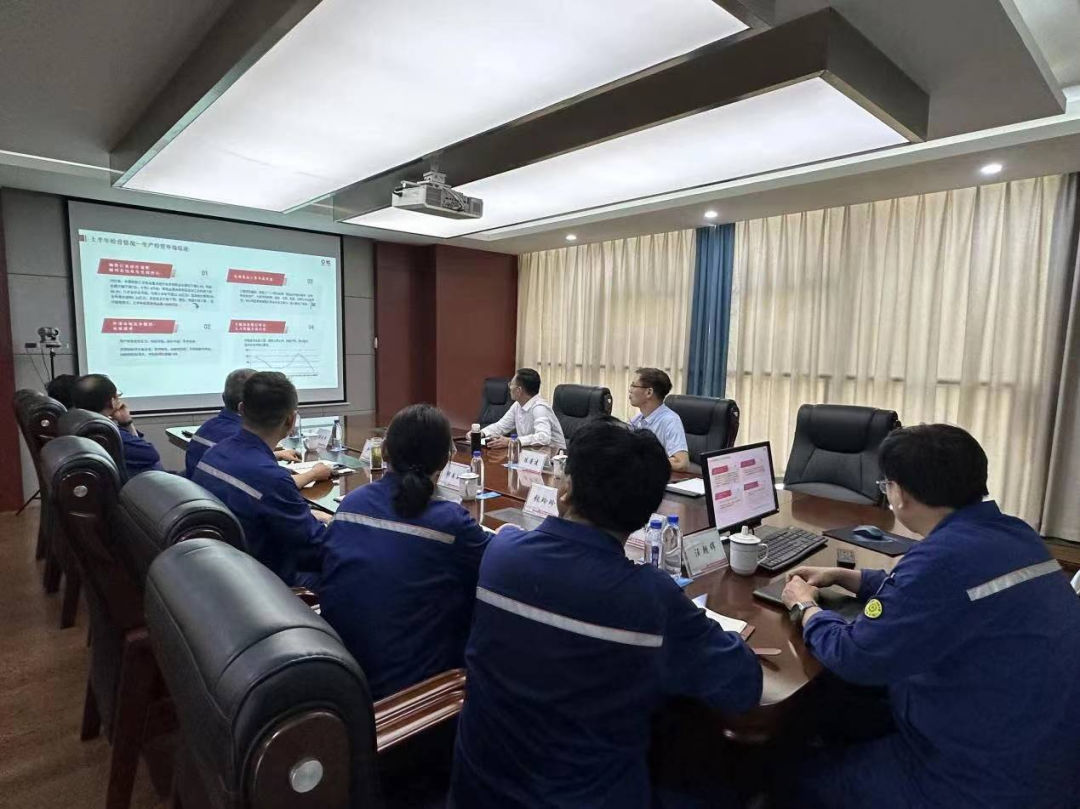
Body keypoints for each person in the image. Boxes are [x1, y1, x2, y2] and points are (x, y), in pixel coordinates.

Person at [451, 418, 762, 809]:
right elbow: (743, 686)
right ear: (644, 515)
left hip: (477, 793)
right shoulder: (652, 599)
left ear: (565, 490)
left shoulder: (501, 554)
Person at [781, 424, 1080, 809]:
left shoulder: (940, 561)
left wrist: (805, 607)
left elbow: (855, 656)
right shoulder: (1014, 533)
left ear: (899, 493)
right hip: (1046, 752)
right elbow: (944, 595)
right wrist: (849, 577)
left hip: (980, 781)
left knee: (798, 775)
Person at [319, 404, 490, 700]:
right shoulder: (450, 524)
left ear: (385, 451)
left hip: (341, 674)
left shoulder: (351, 503)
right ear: (447, 459)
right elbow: (499, 569)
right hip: (407, 695)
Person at [192, 372, 333, 588]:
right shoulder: (272, 479)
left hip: (219, 571)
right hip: (265, 581)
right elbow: (315, 549)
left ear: (241, 409)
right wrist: (336, 525)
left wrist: (307, 514)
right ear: (291, 420)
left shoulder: (214, 453)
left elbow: (255, 508)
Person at [183, 368, 299, 477]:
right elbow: (266, 477)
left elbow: (234, 460)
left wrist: (274, 455)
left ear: (223, 398)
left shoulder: (207, 427)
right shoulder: (240, 436)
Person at [70, 373, 163, 477]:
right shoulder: (109, 433)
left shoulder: (79, 424)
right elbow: (151, 455)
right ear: (112, 402)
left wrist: (126, 423)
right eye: (117, 396)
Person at [480, 368, 566, 450]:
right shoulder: (518, 405)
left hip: (554, 456)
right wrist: (481, 433)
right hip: (531, 453)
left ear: (518, 390)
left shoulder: (540, 408)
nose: (509, 387)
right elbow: (501, 426)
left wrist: (512, 441)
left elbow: (543, 437)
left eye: (511, 384)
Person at [627, 367, 689, 471]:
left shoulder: (670, 421)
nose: (630, 390)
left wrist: (644, 460)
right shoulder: (638, 419)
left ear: (649, 392)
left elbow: (681, 463)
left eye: (634, 385)